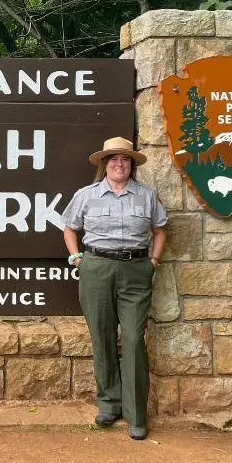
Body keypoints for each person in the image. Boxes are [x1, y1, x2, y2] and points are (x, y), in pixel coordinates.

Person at [62, 136, 167, 441]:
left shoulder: (147, 196)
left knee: (134, 340)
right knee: (102, 336)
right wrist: (76, 258)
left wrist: (154, 261)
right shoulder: (86, 195)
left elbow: (160, 230)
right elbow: (70, 227)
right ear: (104, 165)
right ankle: (109, 404)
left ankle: (136, 415)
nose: (119, 164)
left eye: (124, 159)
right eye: (113, 159)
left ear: (131, 165)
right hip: (96, 269)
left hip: (136, 271)